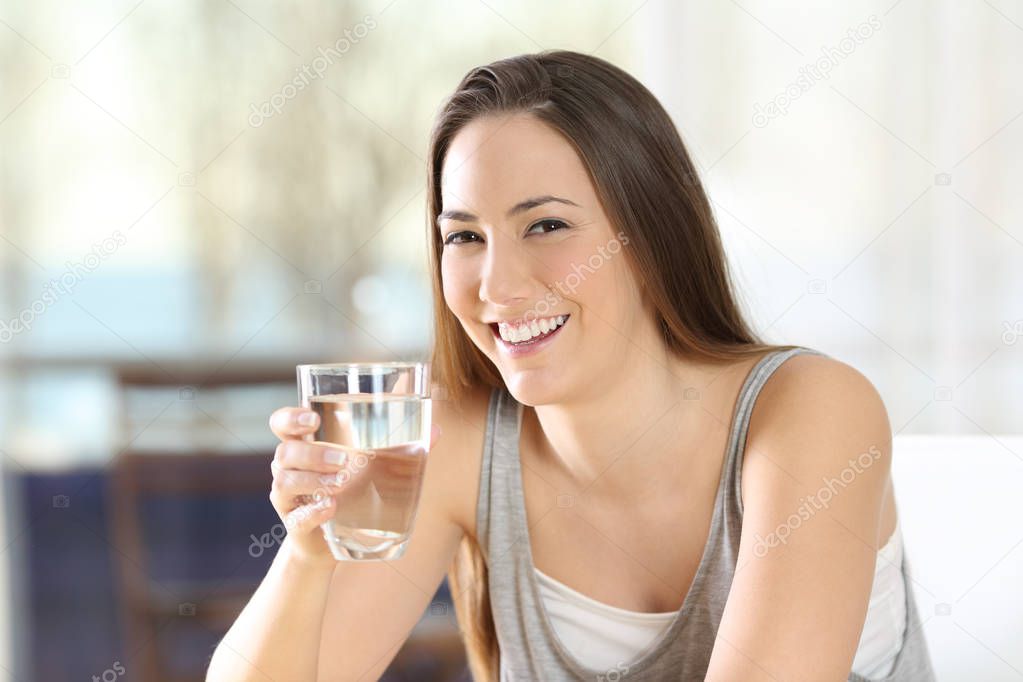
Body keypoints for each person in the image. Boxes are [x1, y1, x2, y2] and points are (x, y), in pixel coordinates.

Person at [207, 50, 935, 681]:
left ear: (650, 236)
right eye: (464, 236)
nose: (495, 284)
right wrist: (312, 546)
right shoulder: (454, 436)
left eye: (546, 226)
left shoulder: (811, 410)